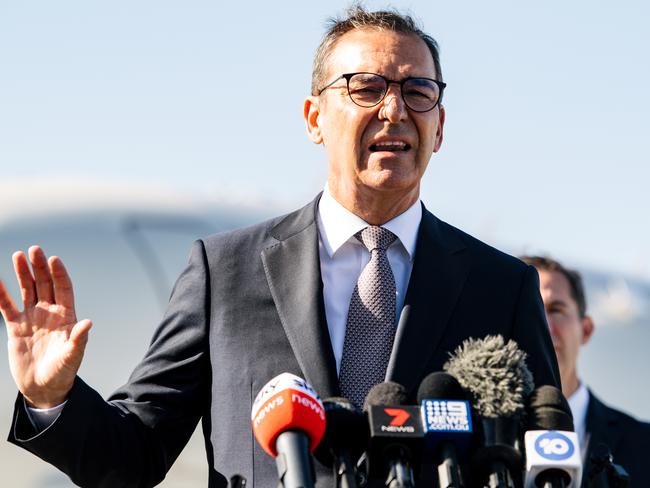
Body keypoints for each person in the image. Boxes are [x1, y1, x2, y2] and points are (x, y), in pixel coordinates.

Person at [0, 8, 559, 488]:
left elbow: (547, 455)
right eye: (366, 87)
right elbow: (132, 457)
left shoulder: (501, 286)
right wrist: (54, 397)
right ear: (315, 118)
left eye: (418, 92)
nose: (395, 111)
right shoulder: (224, 271)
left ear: (438, 129)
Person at [521, 255, 650, 487]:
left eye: (555, 309)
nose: (544, 327)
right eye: (529, 309)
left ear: (586, 330)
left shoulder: (644, 445)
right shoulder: (471, 444)